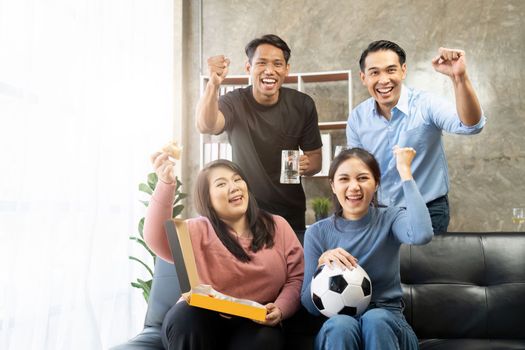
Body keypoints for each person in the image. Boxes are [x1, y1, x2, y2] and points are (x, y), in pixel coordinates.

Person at [143, 151, 304, 350]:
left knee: (266, 339)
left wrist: (280, 308)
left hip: (255, 322)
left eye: (237, 179)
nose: (234, 187)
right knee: (187, 315)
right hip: (200, 320)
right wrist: (166, 184)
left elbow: (296, 279)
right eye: (221, 184)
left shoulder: (277, 226)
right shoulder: (195, 229)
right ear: (207, 199)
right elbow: (155, 238)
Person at [346, 40, 486, 233]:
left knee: (427, 265)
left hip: (429, 208)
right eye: (375, 72)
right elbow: (357, 168)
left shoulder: (426, 104)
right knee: (386, 265)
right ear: (363, 77)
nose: (384, 80)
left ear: (403, 71)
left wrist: (459, 78)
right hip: (380, 212)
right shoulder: (357, 117)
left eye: (391, 70)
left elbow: (470, 125)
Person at [301, 147, 433, 350]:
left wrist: (405, 171)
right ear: (333, 186)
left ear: (376, 183)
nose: (354, 187)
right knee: (340, 324)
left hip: (389, 324)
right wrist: (321, 267)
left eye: (362, 178)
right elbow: (310, 307)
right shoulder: (317, 233)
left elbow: (422, 234)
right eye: (344, 179)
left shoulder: (391, 218)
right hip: (339, 330)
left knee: (375, 319)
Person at [196, 34, 323, 237]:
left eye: (277, 64)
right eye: (261, 63)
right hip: (244, 214)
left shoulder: (303, 104)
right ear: (249, 68)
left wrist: (307, 165)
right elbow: (206, 125)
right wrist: (213, 84)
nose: (269, 71)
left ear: (286, 69)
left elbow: (316, 160)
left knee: (290, 269)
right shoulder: (234, 102)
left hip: (290, 216)